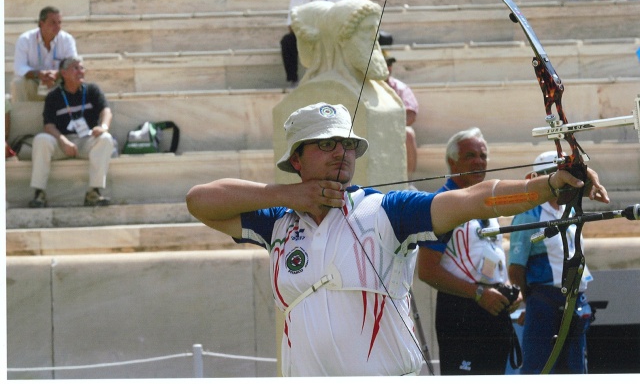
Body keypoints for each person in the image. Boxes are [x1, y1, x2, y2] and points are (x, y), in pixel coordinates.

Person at [186, 102, 609, 377]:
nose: (342, 153)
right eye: (327, 144)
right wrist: (287, 195)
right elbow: (199, 200)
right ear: (297, 158)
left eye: (348, 145)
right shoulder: (276, 222)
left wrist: (549, 186)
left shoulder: (385, 210)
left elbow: (474, 199)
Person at [416, 127, 522, 375]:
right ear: (452, 162)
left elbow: (494, 259)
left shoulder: (487, 204)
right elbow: (426, 270)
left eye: (483, 156)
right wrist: (478, 293)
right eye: (470, 156)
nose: (479, 161)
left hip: (494, 310)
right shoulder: (442, 203)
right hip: (462, 311)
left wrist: (508, 289)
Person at [508, 150, 594, 374]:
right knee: (540, 370)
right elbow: (516, 268)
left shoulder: (570, 208)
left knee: (575, 370)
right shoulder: (528, 214)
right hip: (545, 302)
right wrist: (532, 303)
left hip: (575, 303)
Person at [28, 56, 114, 208]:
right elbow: (48, 126)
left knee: (106, 139)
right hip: (62, 143)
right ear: (64, 73)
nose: (81, 71)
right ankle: (39, 194)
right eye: (76, 68)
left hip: (86, 141)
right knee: (41, 139)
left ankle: (94, 192)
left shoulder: (92, 90)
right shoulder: (54, 96)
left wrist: (103, 127)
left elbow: (106, 111)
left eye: (82, 68)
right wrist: (63, 141)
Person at [281, 0, 348, 87]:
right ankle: (293, 79)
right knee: (287, 41)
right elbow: (292, 24)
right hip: (307, 33)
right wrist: (306, 34)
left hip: (333, 33)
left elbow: (344, 18)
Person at [12, 6, 78, 102]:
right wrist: (38, 74)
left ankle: (70, 114)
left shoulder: (67, 39)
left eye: (59, 22)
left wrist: (57, 74)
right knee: (18, 82)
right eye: (53, 23)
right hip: (33, 81)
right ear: (41, 24)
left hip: (58, 80)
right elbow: (19, 67)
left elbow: (73, 64)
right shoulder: (25, 39)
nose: (57, 26)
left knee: (75, 78)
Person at [383, 50, 419, 179]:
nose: (388, 67)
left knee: (408, 133)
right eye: (384, 63)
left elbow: (411, 115)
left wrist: (391, 128)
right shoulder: (364, 86)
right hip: (370, 128)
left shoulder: (400, 88)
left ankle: (409, 182)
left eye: (389, 63)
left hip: (394, 130)